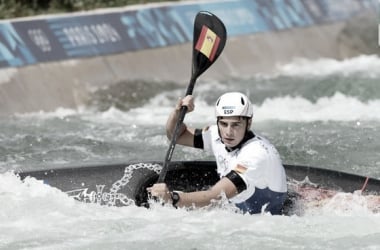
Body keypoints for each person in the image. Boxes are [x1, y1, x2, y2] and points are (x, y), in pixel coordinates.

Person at [148, 92, 287, 215]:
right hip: (237, 210)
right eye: (224, 124)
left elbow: (216, 196)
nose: (228, 132)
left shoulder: (256, 155)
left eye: (236, 125)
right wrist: (177, 113)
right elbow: (176, 135)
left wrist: (172, 198)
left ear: (248, 123)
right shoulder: (216, 134)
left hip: (264, 221)